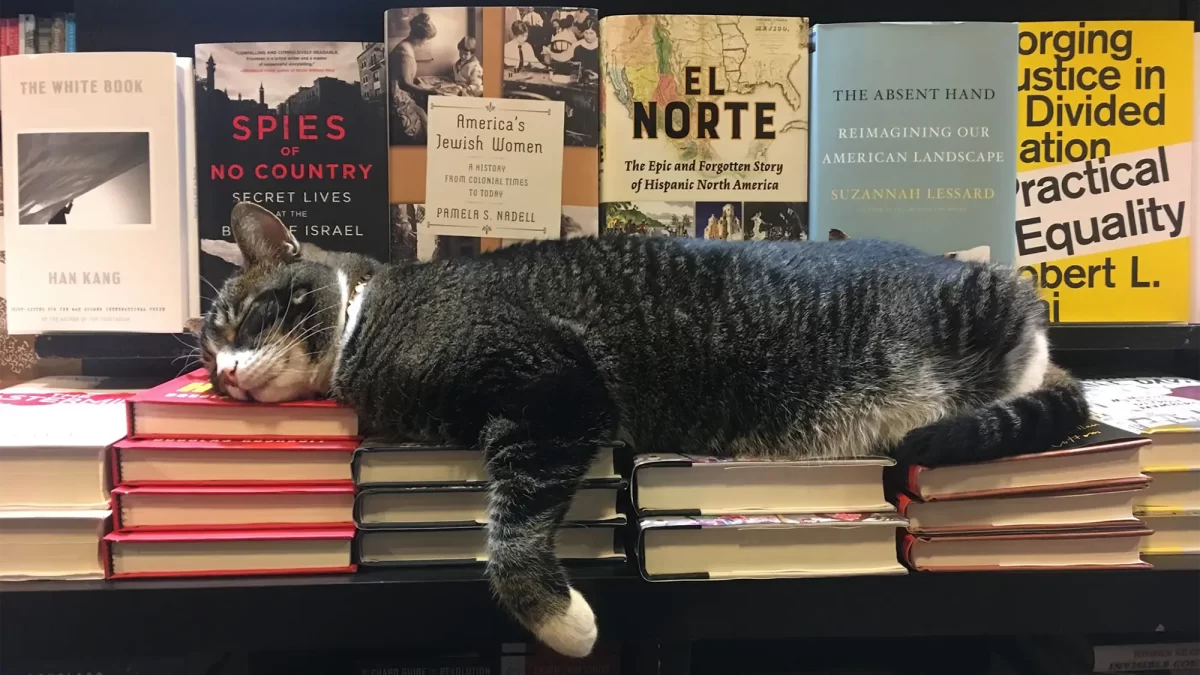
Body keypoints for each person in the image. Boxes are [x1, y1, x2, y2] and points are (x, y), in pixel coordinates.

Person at [390, 12, 439, 144]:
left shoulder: (406, 47)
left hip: (404, 95)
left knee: (426, 119)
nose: (427, 43)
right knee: (423, 129)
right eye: (427, 39)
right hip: (398, 99)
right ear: (421, 37)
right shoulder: (404, 52)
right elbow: (405, 83)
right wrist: (428, 91)